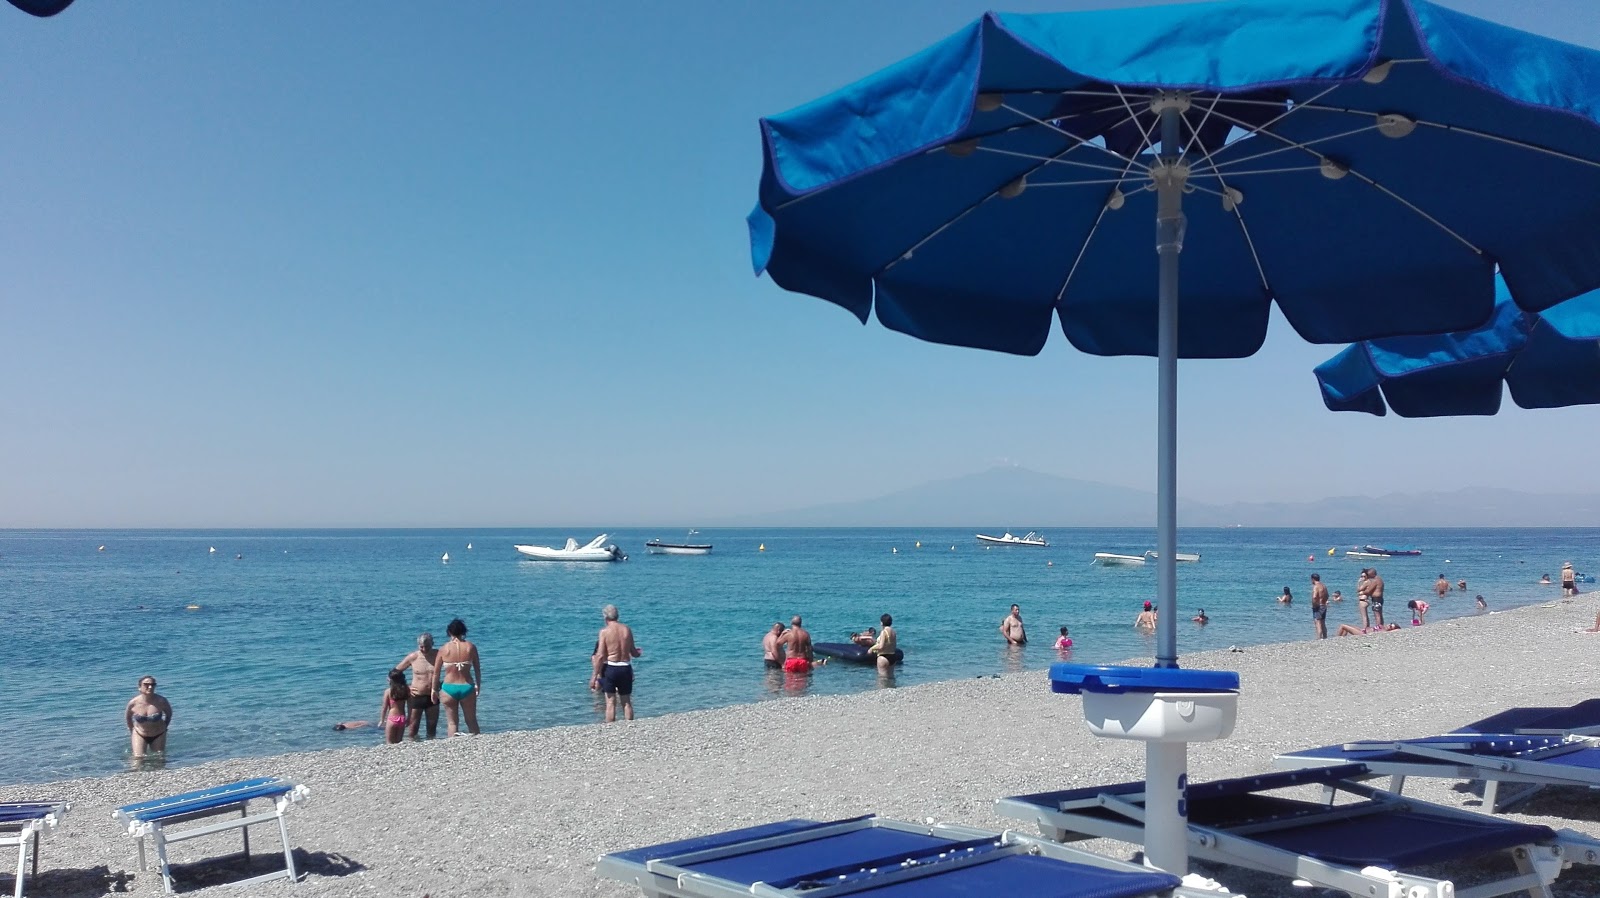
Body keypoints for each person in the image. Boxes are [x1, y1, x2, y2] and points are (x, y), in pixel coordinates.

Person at [592, 604, 642, 722]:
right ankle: (630, 726)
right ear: (617, 616)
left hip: (611, 668)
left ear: (605, 617)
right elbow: (634, 652)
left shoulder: (604, 632)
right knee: (626, 701)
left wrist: (594, 676)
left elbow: (599, 656)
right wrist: (639, 653)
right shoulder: (626, 629)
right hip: (625, 667)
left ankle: (611, 729)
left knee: (610, 702)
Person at [435, 618, 481, 736]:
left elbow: (436, 672)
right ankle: (478, 745)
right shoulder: (470, 647)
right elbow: (477, 669)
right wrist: (478, 685)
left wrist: (433, 690)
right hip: (466, 686)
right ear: (464, 631)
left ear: (449, 632)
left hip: (448, 688)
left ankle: (452, 748)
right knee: (471, 720)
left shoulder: (444, 649)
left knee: (452, 723)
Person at [394, 632, 439, 739]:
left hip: (433, 696)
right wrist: (405, 687)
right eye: (421, 647)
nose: (424, 649)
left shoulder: (438, 655)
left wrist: (443, 684)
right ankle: (412, 746)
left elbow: (452, 668)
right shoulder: (413, 657)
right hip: (416, 696)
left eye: (427, 646)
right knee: (413, 728)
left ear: (432, 643)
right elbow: (394, 673)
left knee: (432, 728)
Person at [125, 675, 173, 759]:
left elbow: (169, 715)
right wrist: (132, 731)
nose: (150, 687)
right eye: (146, 684)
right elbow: (128, 718)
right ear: (139, 687)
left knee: (159, 759)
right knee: (138, 759)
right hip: (140, 733)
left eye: (153, 684)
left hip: (158, 734)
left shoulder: (161, 701)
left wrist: (164, 728)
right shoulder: (133, 703)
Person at [379, 669, 409, 745]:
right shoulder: (406, 690)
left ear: (391, 680)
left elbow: (384, 708)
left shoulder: (388, 691)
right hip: (402, 718)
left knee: (389, 742)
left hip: (392, 718)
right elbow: (410, 706)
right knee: (399, 742)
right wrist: (409, 719)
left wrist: (382, 720)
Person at [1309, 573, 1328, 639]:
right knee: (1323, 623)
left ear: (1313, 579)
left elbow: (1314, 597)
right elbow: (1327, 595)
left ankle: (1319, 638)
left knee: (1318, 623)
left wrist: (1314, 605)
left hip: (1318, 607)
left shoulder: (1316, 586)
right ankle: (1325, 637)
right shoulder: (1324, 586)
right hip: (1324, 605)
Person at [1336, 622, 1401, 636]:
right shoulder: (1382, 627)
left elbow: (1399, 630)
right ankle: (1341, 639)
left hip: (1363, 634)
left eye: (1391, 627)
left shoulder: (1384, 632)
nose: (1389, 626)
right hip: (1362, 630)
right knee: (1347, 626)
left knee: (1343, 626)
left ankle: (1336, 639)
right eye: (1390, 624)